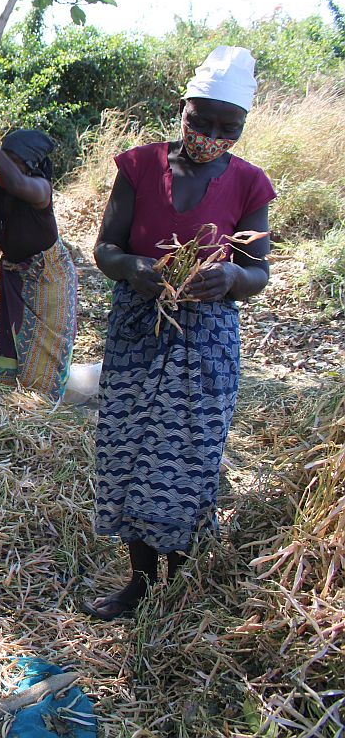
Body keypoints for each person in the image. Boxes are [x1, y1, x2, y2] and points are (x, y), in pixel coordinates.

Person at [83, 46, 274, 619]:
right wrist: (130, 268)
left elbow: (259, 271)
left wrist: (233, 275)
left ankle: (182, 582)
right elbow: (105, 248)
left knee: (189, 458)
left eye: (227, 126)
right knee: (129, 450)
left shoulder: (248, 184)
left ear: (241, 127)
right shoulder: (139, 166)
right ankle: (140, 582)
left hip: (205, 338)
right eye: (201, 121)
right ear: (182, 108)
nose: (212, 134)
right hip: (139, 327)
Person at [0, 113, 78, 400]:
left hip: (49, 279)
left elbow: (17, 183)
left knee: (44, 350)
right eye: (3, 158)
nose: (3, 166)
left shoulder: (38, 188)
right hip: (15, 276)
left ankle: (38, 409)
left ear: (30, 166)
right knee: (12, 343)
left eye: (12, 160)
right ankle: (9, 403)